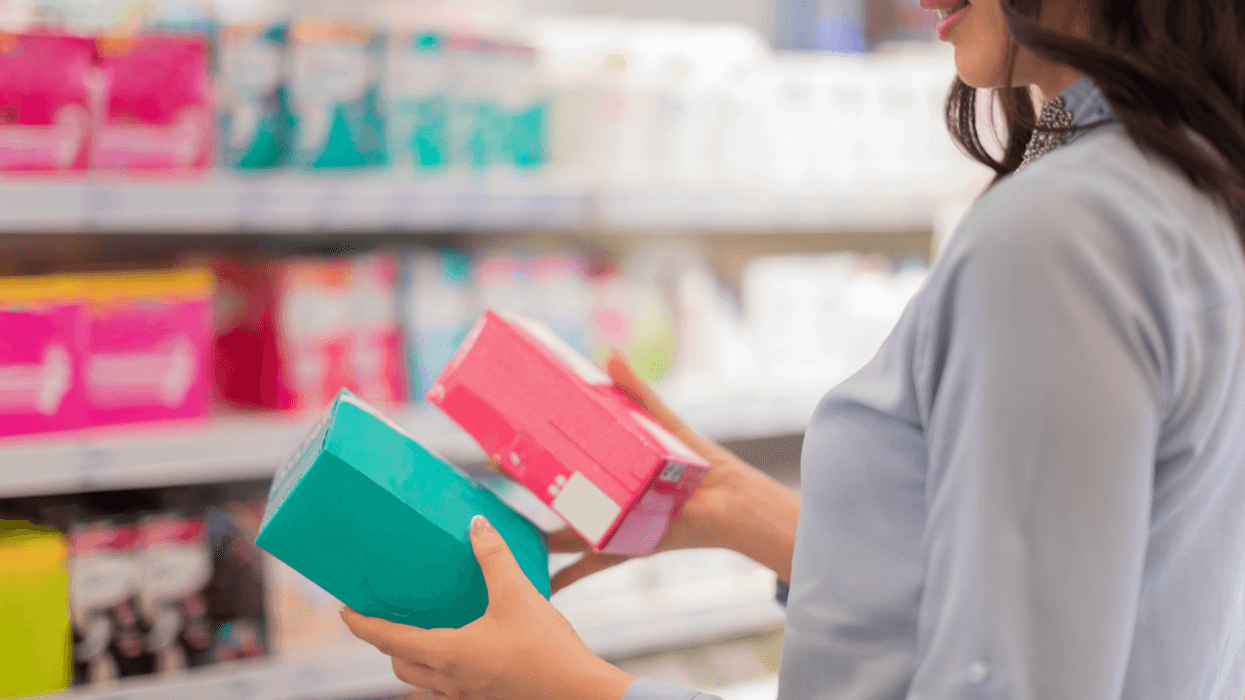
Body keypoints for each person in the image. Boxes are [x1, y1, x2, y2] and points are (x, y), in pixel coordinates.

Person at [341, 0, 1245, 697]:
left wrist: (575, 687)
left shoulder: (1059, 231)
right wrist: (736, 511)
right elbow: (1097, 586)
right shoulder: (1188, 185)